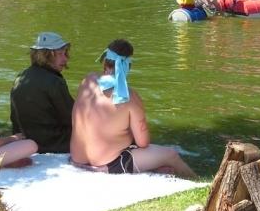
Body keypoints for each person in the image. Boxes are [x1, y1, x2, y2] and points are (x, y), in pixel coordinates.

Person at [71, 40, 196, 178]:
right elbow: (143, 142)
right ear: (127, 67)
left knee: (160, 165)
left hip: (77, 159)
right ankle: (199, 181)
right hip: (107, 164)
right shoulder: (130, 97)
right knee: (170, 155)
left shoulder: (88, 80)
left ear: (104, 61)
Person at [10, 32, 76, 154]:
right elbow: (73, 118)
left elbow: (15, 119)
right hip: (52, 144)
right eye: (60, 54)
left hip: (24, 140)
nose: (65, 59)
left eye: (65, 53)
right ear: (46, 56)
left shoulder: (21, 76)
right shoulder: (54, 81)